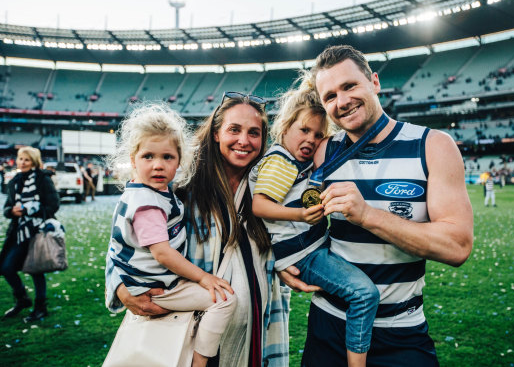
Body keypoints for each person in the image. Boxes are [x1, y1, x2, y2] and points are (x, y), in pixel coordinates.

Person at [278, 45, 474, 366]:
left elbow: (457, 246)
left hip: (400, 329)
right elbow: (290, 220)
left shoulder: (432, 146)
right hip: (330, 325)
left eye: (350, 86)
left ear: (374, 82)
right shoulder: (323, 152)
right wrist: (284, 260)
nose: (341, 101)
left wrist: (368, 216)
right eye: (329, 97)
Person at [105, 93, 290, 367]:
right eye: (234, 129)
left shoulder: (270, 189)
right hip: (194, 330)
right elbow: (126, 238)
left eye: (254, 133)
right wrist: (119, 286)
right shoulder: (181, 185)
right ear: (216, 133)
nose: (244, 141)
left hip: (256, 333)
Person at [249, 73, 379, 367]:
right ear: (285, 126)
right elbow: (260, 205)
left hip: (313, 248)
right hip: (305, 256)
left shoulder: (296, 161)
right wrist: (300, 214)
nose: (311, 140)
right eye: (304, 130)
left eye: (318, 135)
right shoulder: (281, 161)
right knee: (364, 294)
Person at [105, 103, 237, 367]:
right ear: (133, 159)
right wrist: (203, 277)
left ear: (180, 161)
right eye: (148, 157)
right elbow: (162, 253)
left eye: (167, 157)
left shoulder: (145, 193)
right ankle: (200, 361)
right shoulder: (148, 204)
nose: (158, 165)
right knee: (224, 300)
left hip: (144, 283)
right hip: (155, 288)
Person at [0, 146, 60, 322]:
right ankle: (23, 299)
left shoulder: (43, 179)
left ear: (33, 161)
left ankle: (40, 307)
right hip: (18, 233)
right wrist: (12, 211)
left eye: (26, 159)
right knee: (5, 267)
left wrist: (31, 209)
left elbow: (53, 205)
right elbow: (6, 208)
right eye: (20, 159)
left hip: (37, 231)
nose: (22, 162)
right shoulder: (14, 181)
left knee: (36, 269)